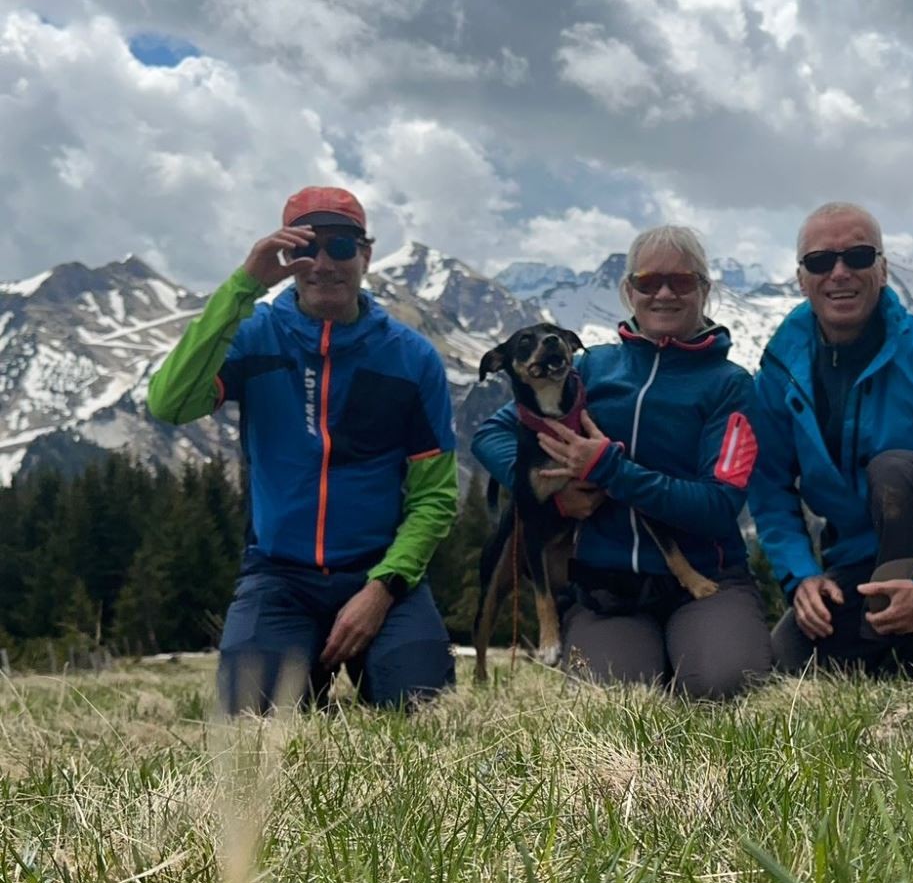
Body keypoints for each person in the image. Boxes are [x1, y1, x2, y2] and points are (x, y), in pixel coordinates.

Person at [147, 187, 458, 712]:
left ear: (366, 255)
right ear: (285, 258)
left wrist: (381, 589)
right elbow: (171, 403)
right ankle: (306, 680)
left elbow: (435, 497)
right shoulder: (253, 334)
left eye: (341, 247)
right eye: (303, 249)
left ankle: (347, 672)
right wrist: (245, 284)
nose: (323, 264)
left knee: (422, 707)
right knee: (251, 717)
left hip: (380, 574)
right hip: (279, 576)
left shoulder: (413, 359)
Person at [472, 225, 770, 697]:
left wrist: (609, 469)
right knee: (609, 703)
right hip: (607, 589)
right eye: (649, 282)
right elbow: (493, 433)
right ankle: (662, 654)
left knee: (724, 685)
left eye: (683, 281)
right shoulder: (589, 369)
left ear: (706, 291)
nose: (665, 293)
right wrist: (550, 488)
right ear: (628, 291)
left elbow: (718, 506)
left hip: (706, 577)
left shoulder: (731, 385)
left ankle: (694, 650)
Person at [749, 201, 913, 678]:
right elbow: (768, 486)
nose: (840, 273)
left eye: (859, 256)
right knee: (790, 661)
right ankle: (889, 641)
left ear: (884, 268)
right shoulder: (781, 368)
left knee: (894, 471)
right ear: (802, 278)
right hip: (856, 557)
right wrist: (800, 577)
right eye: (820, 261)